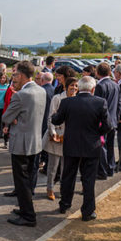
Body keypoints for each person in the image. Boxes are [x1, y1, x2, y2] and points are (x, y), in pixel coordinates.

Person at [51, 76, 113, 220]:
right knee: (88, 179)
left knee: (68, 176)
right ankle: (88, 211)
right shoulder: (99, 102)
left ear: (79, 87)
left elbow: (57, 120)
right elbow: (108, 125)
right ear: (93, 89)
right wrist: (97, 134)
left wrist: (54, 116)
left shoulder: (67, 102)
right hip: (91, 146)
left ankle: (65, 204)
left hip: (71, 144)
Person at [2, 61, 47, 227]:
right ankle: (24, 209)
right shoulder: (41, 91)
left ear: (20, 75)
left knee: (21, 182)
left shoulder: (20, 95)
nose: (13, 77)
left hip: (21, 143)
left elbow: (5, 117)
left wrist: (14, 118)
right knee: (26, 180)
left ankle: (28, 215)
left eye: (14, 75)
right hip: (35, 140)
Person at [43, 73, 76, 201]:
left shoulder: (76, 99)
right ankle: (50, 188)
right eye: (72, 85)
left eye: (76, 86)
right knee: (53, 167)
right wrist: (53, 133)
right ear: (66, 87)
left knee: (65, 168)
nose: (74, 88)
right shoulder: (57, 98)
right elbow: (51, 117)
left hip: (70, 138)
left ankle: (63, 189)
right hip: (56, 136)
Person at [94, 62, 120, 178]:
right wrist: (117, 118)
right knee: (110, 146)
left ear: (97, 72)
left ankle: (103, 171)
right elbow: (119, 103)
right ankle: (111, 168)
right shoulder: (115, 84)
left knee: (102, 147)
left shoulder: (100, 86)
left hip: (103, 121)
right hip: (113, 119)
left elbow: (98, 106)